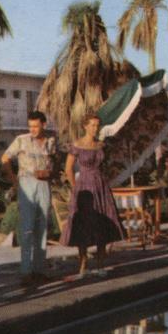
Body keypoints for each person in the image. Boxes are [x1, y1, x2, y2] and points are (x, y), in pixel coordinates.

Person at [61, 114, 124, 278]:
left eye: (97, 125)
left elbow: (109, 165)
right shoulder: (77, 145)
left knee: (102, 223)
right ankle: (82, 267)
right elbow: (68, 169)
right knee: (83, 225)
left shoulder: (101, 145)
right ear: (85, 126)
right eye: (92, 125)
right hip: (84, 187)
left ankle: (100, 265)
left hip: (101, 186)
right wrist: (75, 188)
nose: (95, 128)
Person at [1, 110, 57, 287]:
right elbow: (5, 158)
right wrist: (14, 181)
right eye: (30, 126)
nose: (32, 129)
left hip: (44, 184)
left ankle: (39, 270)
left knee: (42, 227)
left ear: (43, 125)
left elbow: (55, 162)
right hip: (26, 183)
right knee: (27, 228)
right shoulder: (21, 140)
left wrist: (50, 172)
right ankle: (26, 271)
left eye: (36, 126)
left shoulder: (51, 141)